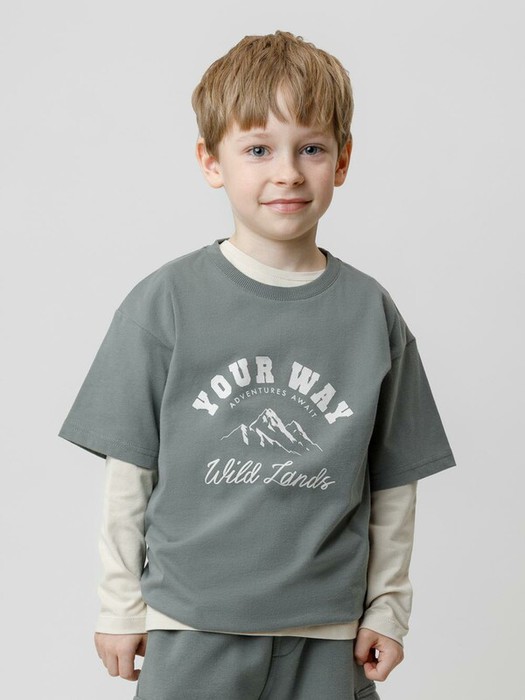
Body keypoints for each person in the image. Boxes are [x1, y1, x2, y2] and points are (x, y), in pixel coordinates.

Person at [58, 30, 457, 700]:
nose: (288, 172)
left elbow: (394, 483)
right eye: (258, 149)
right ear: (211, 161)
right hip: (192, 625)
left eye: (311, 148)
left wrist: (388, 607)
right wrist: (120, 605)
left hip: (328, 632)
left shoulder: (370, 313)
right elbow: (129, 473)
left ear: (343, 160)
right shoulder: (166, 302)